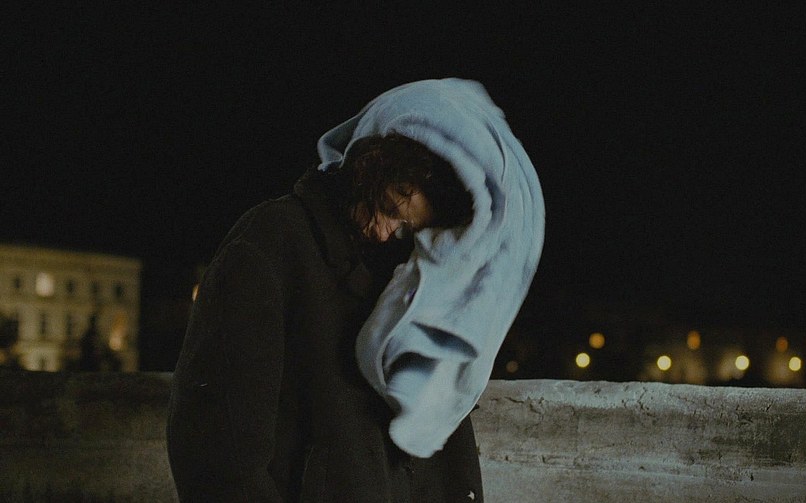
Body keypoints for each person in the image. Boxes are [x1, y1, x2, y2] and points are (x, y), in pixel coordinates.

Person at [167, 79, 545, 502]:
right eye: (387, 207)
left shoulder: (415, 279)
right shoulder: (269, 246)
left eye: (405, 228)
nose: (385, 233)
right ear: (371, 163)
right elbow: (218, 460)